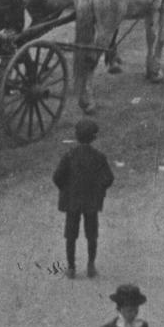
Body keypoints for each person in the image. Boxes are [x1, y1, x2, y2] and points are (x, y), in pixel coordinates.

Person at [54, 117, 115, 277]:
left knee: (71, 236)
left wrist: (66, 190)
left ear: (76, 136)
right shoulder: (99, 157)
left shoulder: (69, 156)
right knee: (92, 235)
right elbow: (109, 178)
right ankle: (91, 266)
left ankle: (71, 268)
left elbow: (57, 177)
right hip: (91, 202)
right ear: (93, 138)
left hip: (72, 202)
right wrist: (98, 190)